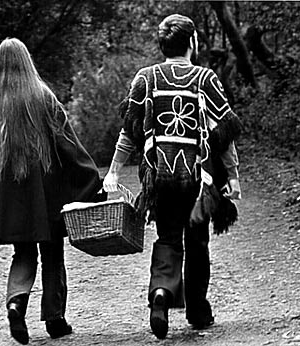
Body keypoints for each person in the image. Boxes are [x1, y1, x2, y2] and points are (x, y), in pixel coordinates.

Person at [103, 14, 242, 339]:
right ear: (192, 43)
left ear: (162, 45)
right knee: (197, 242)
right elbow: (223, 134)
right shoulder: (205, 79)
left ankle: (161, 294)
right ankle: (196, 310)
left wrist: (112, 171)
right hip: (198, 181)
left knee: (167, 237)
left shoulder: (146, 78)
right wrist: (233, 177)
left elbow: (129, 132)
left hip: (159, 178)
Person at [0, 38, 104, 345]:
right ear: (27, 62)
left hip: (8, 199)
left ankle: (15, 302)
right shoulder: (42, 96)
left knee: (23, 252)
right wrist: (90, 180)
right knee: (52, 253)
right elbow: (68, 145)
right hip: (47, 194)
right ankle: (55, 319)